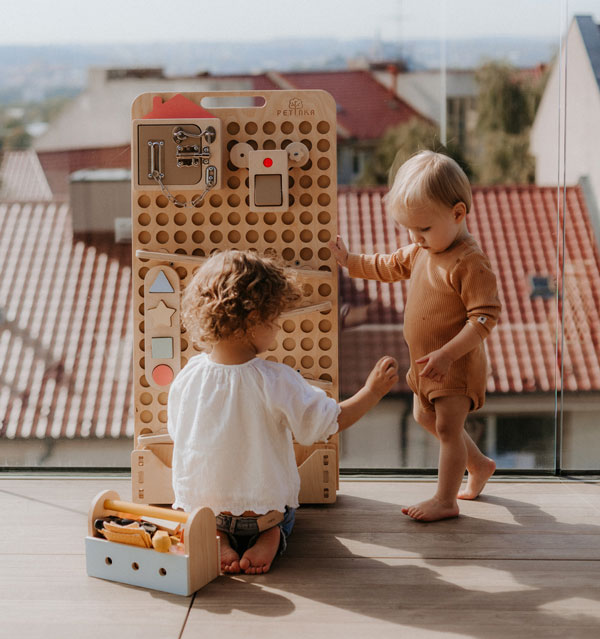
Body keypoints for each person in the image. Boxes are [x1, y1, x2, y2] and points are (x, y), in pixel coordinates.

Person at [168, 249, 398, 574]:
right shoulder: (274, 380)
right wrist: (371, 392)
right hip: (267, 513)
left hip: (205, 512)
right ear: (252, 322)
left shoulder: (189, 375)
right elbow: (327, 423)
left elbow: (179, 432)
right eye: (274, 319)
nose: (277, 328)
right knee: (284, 512)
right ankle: (271, 534)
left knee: (206, 510)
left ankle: (217, 536)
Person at [330, 150, 500, 522]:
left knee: (446, 427)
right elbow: (389, 265)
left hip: (454, 366)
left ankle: (445, 500)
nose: (416, 238)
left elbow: (484, 318)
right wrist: (348, 261)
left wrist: (448, 355)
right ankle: (479, 464)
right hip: (426, 365)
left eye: (423, 229)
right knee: (424, 418)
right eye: (410, 230)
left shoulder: (469, 262)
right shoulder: (425, 249)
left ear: (458, 214)